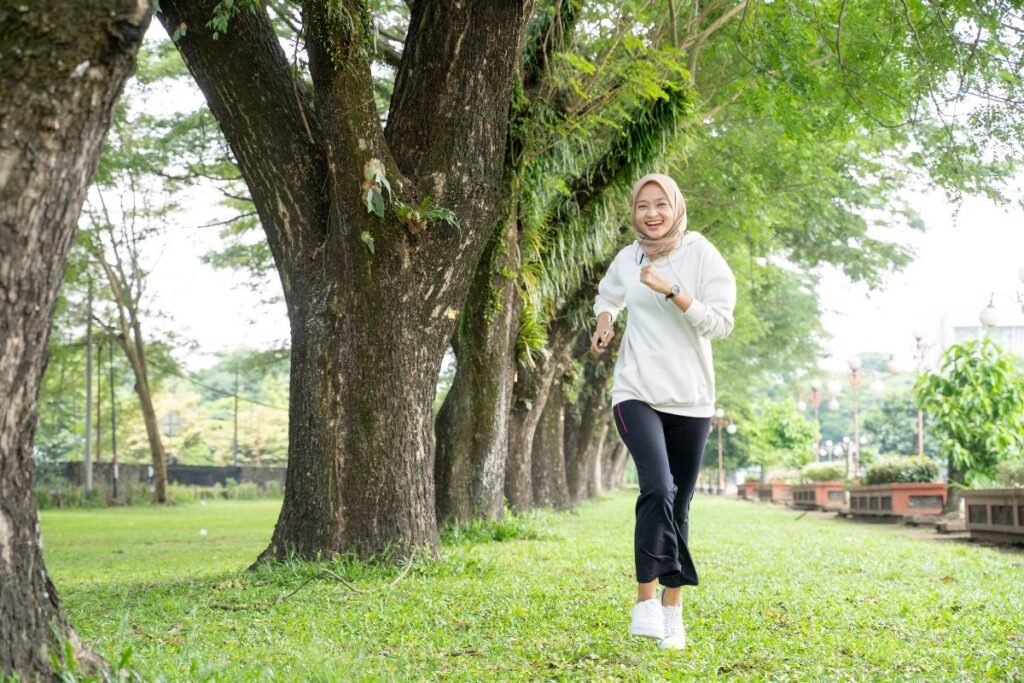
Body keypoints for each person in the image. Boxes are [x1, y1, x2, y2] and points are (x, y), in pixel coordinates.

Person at [591, 172, 736, 650]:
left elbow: (720, 324)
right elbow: (608, 293)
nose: (651, 214)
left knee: (680, 503)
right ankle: (645, 602)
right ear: (633, 212)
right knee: (657, 487)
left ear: (676, 207)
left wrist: (672, 290)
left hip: (692, 399)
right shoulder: (628, 257)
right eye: (642, 206)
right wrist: (605, 320)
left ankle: (674, 613)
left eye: (660, 205)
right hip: (636, 391)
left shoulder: (700, 253)